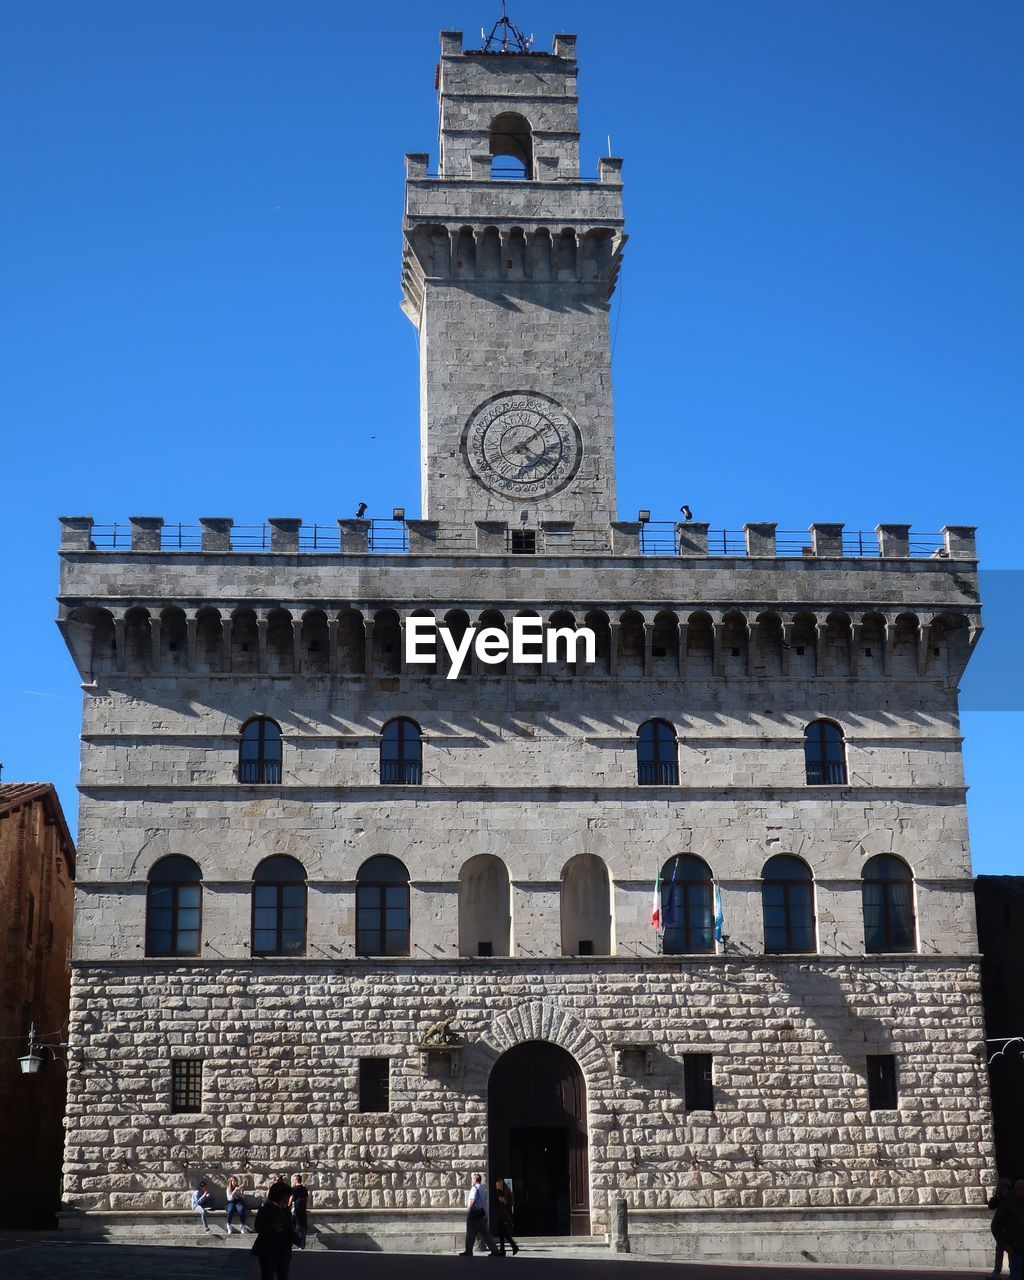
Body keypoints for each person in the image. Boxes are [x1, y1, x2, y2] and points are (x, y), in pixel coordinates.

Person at [252, 1181, 296, 1280]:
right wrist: (273, 1228)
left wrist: (296, 1239)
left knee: (283, 1275)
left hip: (283, 1249)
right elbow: (258, 1226)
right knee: (267, 1275)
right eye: (287, 1196)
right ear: (281, 1196)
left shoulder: (285, 1210)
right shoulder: (265, 1209)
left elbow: (289, 1228)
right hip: (268, 1248)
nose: (289, 1198)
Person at [460, 1173, 501, 1258]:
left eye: (472, 1179)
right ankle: (495, 1250)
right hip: (482, 1215)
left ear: (475, 1179)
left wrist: (470, 1214)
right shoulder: (483, 1189)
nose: (471, 1180)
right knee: (486, 1234)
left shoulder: (474, 1188)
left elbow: (473, 1201)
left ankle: (468, 1251)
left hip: (474, 1216)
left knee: (470, 1235)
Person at [993, 1180, 1024, 1280]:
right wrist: (1004, 1244)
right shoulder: (1006, 1205)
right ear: (1015, 1190)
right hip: (1015, 1248)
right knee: (1016, 1274)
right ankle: (997, 1270)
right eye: (1021, 1190)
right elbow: (995, 1226)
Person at [991, 1178, 1014, 1277]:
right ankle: (997, 1271)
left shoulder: (1013, 1197)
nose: (1004, 1189)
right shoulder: (998, 1197)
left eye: (1006, 1187)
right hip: (1001, 1229)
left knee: (1012, 1251)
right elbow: (991, 1206)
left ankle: (1013, 1271)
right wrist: (997, 1195)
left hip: (1011, 1228)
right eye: (1002, 1187)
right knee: (999, 1250)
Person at [492, 1178, 519, 1256]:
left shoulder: (500, 1193)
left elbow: (501, 1206)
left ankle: (512, 1247)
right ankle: (504, 1250)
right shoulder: (508, 1193)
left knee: (503, 1233)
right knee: (502, 1234)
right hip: (506, 1216)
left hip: (502, 1216)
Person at [289, 1174, 309, 1248]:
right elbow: (307, 1199)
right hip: (302, 1210)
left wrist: (288, 1206)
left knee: (293, 1226)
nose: (293, 1181)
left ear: (296, 1180)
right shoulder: (304, 1189)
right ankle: (302, 1243)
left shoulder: (294, 1188)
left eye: (293, 1180)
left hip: (295, 1210)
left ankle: (291, 1243)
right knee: (302, 1226)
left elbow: (291, 1198)